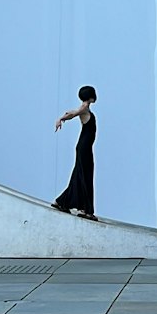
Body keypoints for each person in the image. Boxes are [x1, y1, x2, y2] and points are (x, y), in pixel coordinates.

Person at [52, 86, 98, 219]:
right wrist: (61, 119)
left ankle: (62, 202)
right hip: (84, 148)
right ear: (90, 96)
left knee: (79, 175)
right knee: (85, 176)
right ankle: (86, 210)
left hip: (84, 147)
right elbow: (73, 113)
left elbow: (72, 111)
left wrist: (63, 116)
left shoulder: (84, 108)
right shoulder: (84, 108)